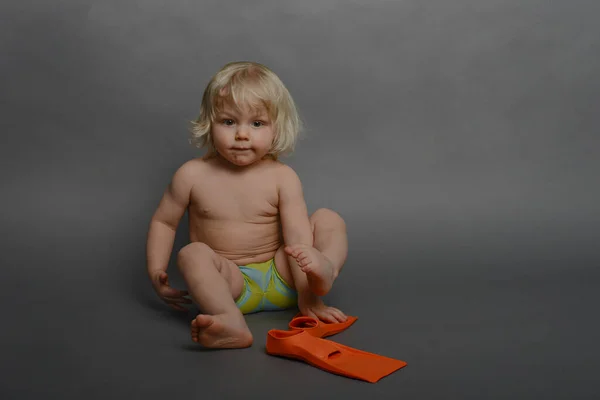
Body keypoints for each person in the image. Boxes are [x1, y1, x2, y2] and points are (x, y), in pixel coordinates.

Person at [145, 61, 348, 349]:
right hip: (229, 286)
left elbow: (297, 240)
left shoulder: (282, 177)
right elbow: (164, 222)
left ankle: (324, 273)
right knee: (192, 254)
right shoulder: (191, 175)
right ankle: (229, 321)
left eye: (257, 123)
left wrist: (307, 296)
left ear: (276, 128)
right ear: (209, 122)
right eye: (228, 122)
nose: (242, 134)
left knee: (329, 219)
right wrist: (156, 270)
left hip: (285, 277)